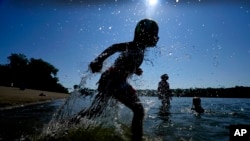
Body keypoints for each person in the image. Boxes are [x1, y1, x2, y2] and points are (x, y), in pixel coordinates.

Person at [77, 19, 159, 141]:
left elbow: (126, 62)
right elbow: (114, 47)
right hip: (113, 79)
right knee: (139, 110)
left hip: (115, 79)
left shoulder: (140, 49)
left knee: (96, 111)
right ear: (143, 33)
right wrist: (98, 60)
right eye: (153, 34)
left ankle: (67, 124)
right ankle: (137, 138)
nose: (155, 37)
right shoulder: (133, 45)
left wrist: (136, 70)